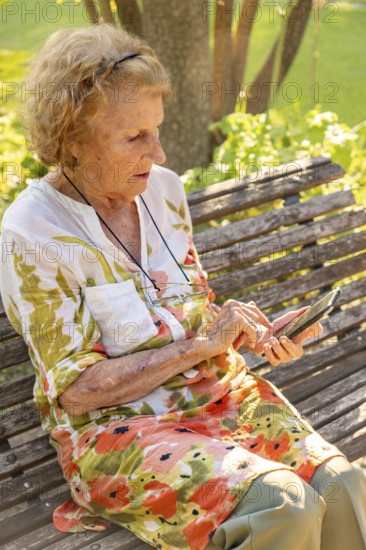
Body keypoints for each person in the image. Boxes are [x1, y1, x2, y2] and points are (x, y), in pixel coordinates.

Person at [0, 23, 365, 550]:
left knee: (344, 485)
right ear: (71, 139)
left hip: (222, 398)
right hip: (119, 435)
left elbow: (191, 307)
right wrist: (200, 347)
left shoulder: (163, 191)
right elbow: (77, 391)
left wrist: (244, 331)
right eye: (135, 136)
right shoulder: (34, 231)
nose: (161, 153)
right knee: (283, 503)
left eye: (157, 129)